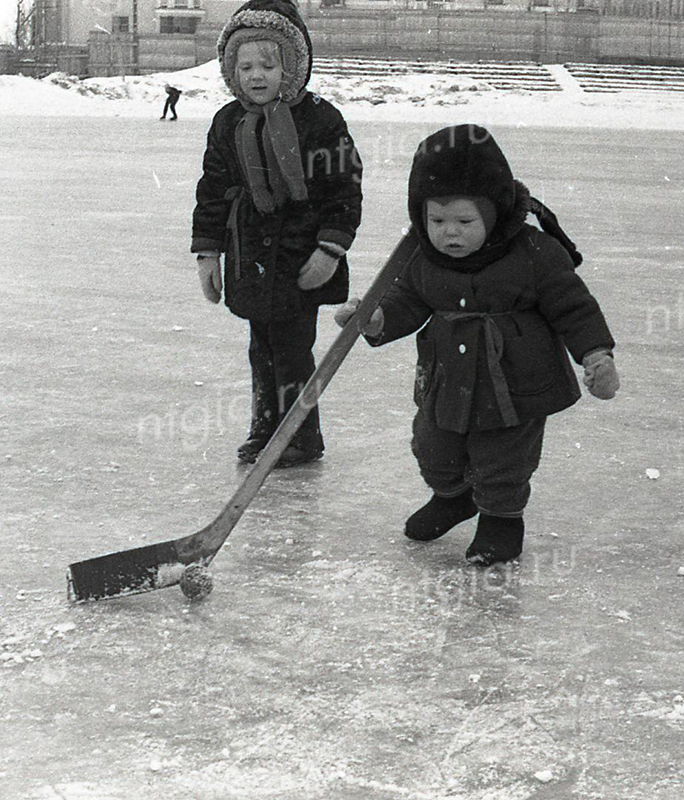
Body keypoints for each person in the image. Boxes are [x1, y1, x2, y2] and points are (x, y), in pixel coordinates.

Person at [335, 124, 619, 566]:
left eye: (465, 222)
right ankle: (453, 497)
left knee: (503, 456)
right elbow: (407, 300)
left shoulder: (534, 253)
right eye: (437, 221)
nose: (450, 234)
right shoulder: (420, 256)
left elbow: (574, 307)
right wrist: (376, 318)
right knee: (432, 444)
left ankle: (502, 520)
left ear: (493, 213)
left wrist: (596, 354)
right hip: (447, 376)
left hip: (515, 381)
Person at [192, 0, 361, 468]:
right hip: (248, 252)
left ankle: (301, 436)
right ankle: (266, 425)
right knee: (260, 348)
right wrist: (208, 254)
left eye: (268, 64)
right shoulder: (228, 122)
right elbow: (213, 190)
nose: (256, 75)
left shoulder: (320, 120)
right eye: (244, 65)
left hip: (299, 254)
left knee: (291, 350)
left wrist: (330, 248)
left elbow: (343, 189)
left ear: (292, 65)